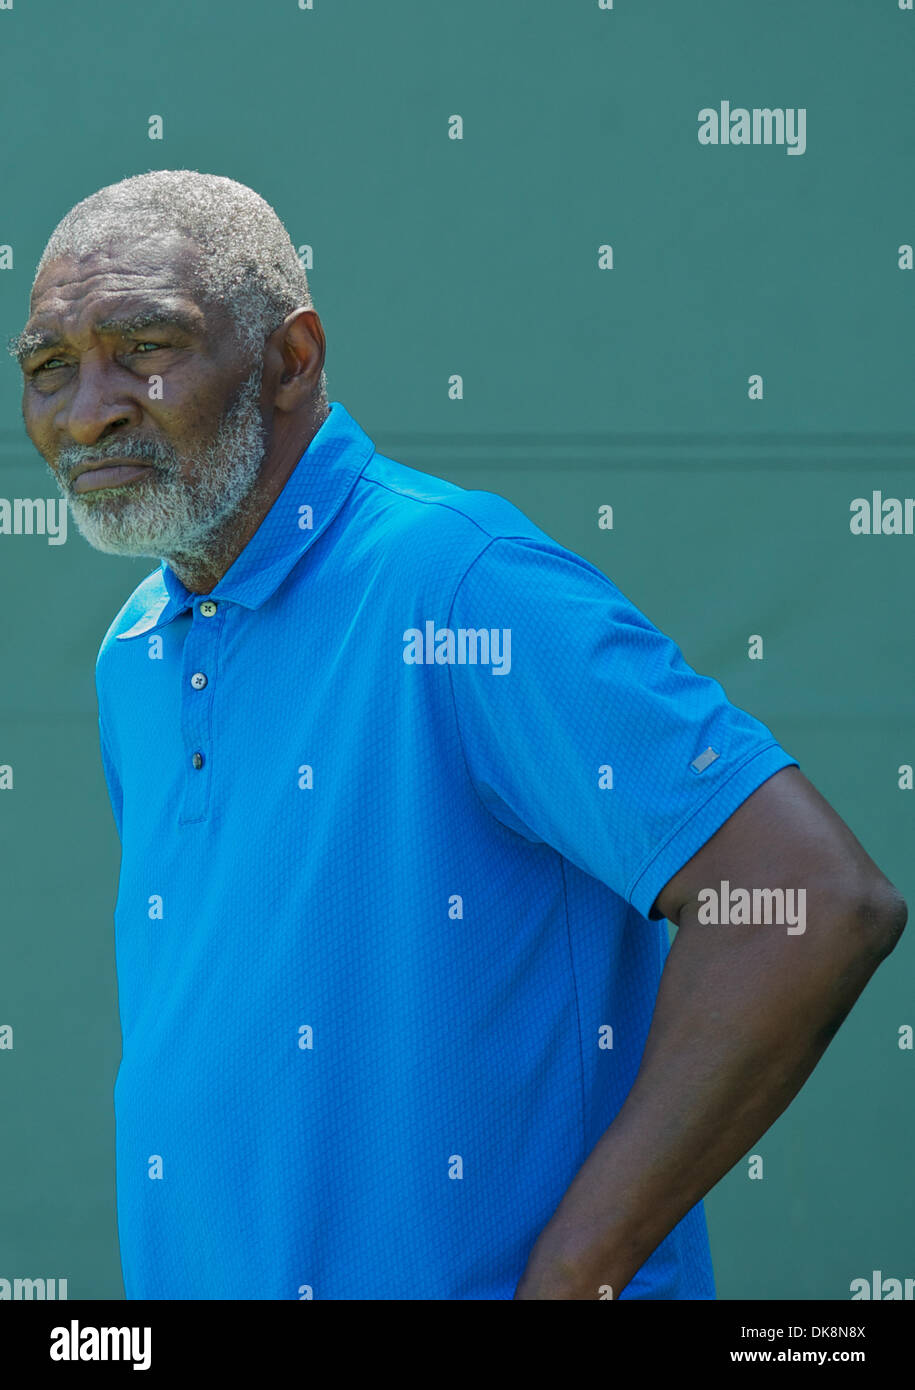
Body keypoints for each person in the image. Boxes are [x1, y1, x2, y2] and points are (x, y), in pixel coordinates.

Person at [9, 170, 906, 1301]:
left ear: (291, 360)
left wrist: (578, 1272)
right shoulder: (134, 650)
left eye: (145, 346)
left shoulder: (459, 584)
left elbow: (811, 902)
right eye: (47, 365)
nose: (86, 408)